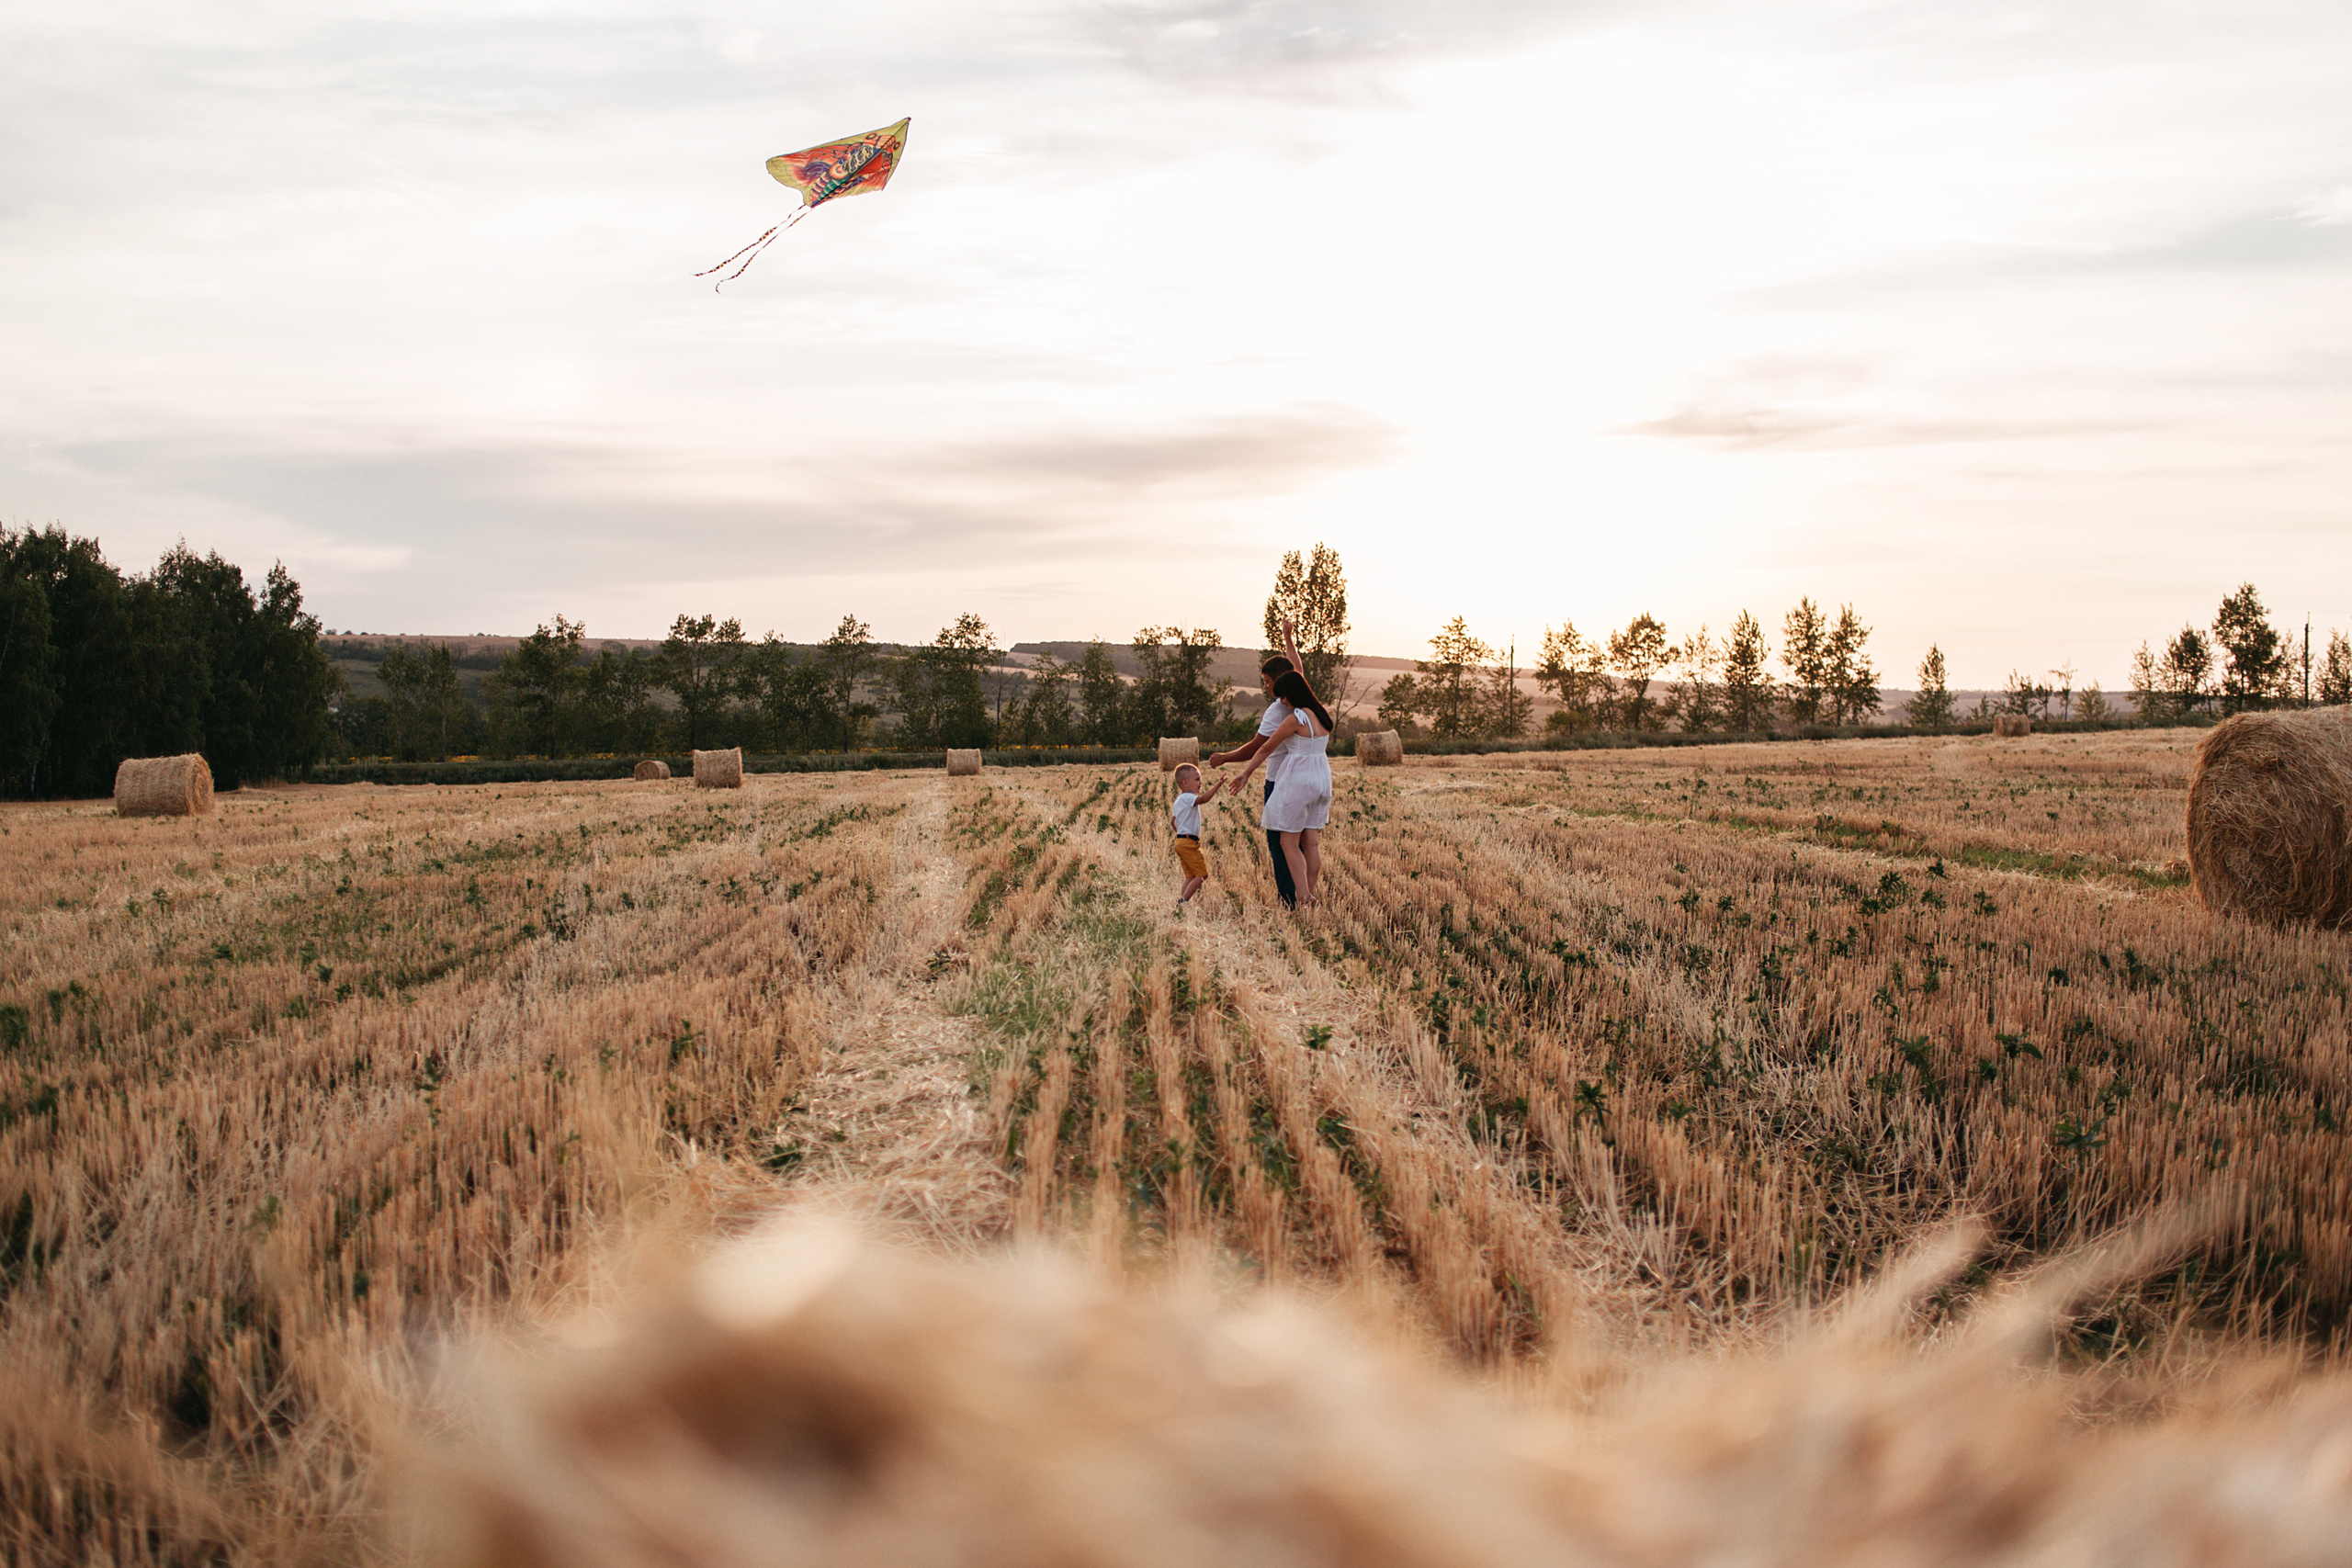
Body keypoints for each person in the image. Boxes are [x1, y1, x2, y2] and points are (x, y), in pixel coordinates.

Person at [1207, 619, 1306, 908]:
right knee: (1301, 841)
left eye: (1267, 681)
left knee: (1278, 844)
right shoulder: (1303, 695)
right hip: (1305, 779)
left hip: (1279, 782)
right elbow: (1295, 664)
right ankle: (1306, 894)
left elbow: (1255, 748)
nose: (1265, 687)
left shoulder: (1277, 711)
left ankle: (1289, 901)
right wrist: (1287, 636)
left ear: (1278, 681)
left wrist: (1225, 757)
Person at [1228, 671, 1333, 910]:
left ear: (1292, 694)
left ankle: (1304, 896)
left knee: (1287, 842)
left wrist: (1245, 773)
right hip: (1322, 779)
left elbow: (1265, 748)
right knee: (1311, 843)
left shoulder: (1296, 718)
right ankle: (1309, 893)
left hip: (1299, 780)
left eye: (1284, 697)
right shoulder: (1321, 715)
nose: (1282, 702)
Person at [1168, 762, 1225, 912]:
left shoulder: (1178, 800)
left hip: (1180, 841)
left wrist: (1181, 835)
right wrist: (1218, 785)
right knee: (1202, 874)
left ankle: (1182, 907)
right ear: (1185, 783)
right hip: (1188, 842)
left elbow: (1173, 822)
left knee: (1190, 875)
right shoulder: (1188, 797)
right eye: (1197, 779)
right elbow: (1203, 799)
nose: (1201, 783)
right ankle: (1182, 902)